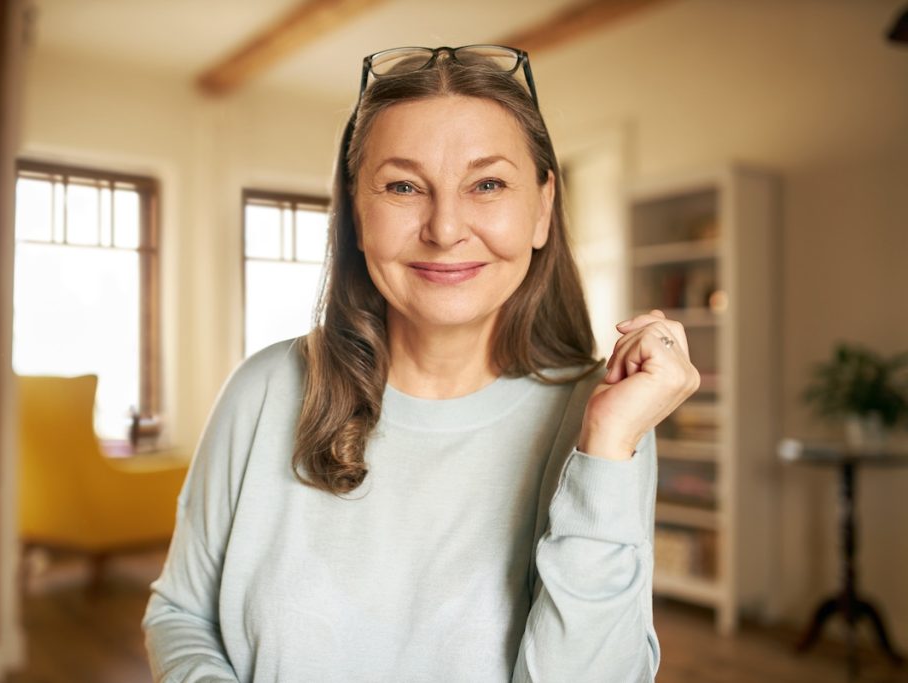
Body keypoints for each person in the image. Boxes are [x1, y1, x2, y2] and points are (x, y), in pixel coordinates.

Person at [142, 44, 699, 682]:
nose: (444, 227)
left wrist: (604, 447)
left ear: (543, 208)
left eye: (487, 184)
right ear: (355, 211)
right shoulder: (264, 389)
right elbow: (182, 614)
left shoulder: (603, 423)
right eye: (403, 186)